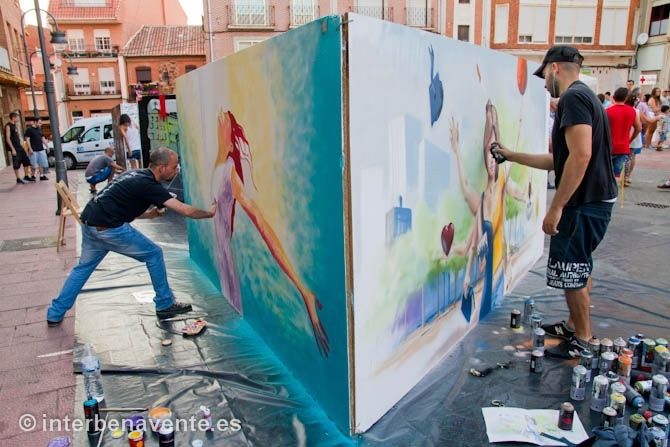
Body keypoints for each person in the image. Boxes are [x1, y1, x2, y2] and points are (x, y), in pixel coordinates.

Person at [493, 45, 617, 359]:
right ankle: (574, 326)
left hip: (583, 203)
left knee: (571, 269)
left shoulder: (573, 98)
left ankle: (583, 339)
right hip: (594, 199)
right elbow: (560, 160)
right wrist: (511, 155)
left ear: (555, 68)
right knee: (579, 264)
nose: (545, 84)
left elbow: (581, 156)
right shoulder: (586, 97)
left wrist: (556, 206)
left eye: (544, 74)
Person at [46, 147, 216, 327]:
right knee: (154, 254)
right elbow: (185, 210)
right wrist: (210, 213)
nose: (177, 171)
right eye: (174, 167)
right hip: (108, 228)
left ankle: (55, 313)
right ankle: (165, 303)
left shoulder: (135, 175)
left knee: (83, 269)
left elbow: (122, 205)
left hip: (90, 223)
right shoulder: (150, 186)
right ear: (162, 168)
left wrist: (150, 215)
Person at [212, 110, 329, 356]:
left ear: (230, 139)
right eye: (221, 118)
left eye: (226, 121)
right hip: (221, 253)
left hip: (225, 257)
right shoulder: (220, 163)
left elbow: (262, 225)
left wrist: (302, 290)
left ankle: (305, 293)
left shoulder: (230, 171)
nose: (221, 117)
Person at [447, 101, 528, 322]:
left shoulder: (503, 185)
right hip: (489, 280)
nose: (492, 161)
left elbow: (517, 190)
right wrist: (456, 149)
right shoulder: (482, 200)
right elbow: (472, 246)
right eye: (488, 154)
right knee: (487, 315)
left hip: (501, 271)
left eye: (495, 155)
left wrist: (526, 197)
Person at [606, 87, 640, 181]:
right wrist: (630, 139)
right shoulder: (632, 111)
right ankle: (614, 189)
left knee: (606, 173)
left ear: (614, 97)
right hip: (623, 147)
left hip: (608, 146)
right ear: (626, 98)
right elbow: (638, 128)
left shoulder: (607, 111)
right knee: (616, 175)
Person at [4, 112, 33, 184]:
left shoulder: (15, 125)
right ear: (13, 118)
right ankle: (18, 178)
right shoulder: (8, 126)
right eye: (17, 117)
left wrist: (22, 145)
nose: (18, 119)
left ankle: (26, 176)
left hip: (20, 147)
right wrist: (13, 149)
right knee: (16, 164)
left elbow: (18, 137)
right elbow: (7, 138)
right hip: (15, 148)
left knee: (26, 161)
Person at [624, 89, 644, 186]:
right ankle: (627, 176)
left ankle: (624, 176)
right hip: (633, 137)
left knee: (626, 158)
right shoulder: (636, 111)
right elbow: (643, 124)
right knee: (631, 157)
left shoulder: (623, 110)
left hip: (625, 136)